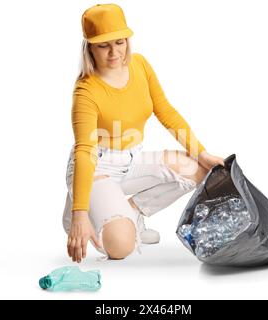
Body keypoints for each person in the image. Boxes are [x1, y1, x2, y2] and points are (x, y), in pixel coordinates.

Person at [62, 3, 225, 263]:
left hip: (132, 159)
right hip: (96, 168)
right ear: (90, 47)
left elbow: (166, 112)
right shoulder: (86, 91)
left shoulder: (140, 65)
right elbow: (85, 151)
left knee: (200, 171)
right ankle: (82, 208)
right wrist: (81, 214)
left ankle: (132, 213)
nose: (114, 52)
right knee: (121, 248)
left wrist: (202, 153)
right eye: (104, 45)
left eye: (119, 42)